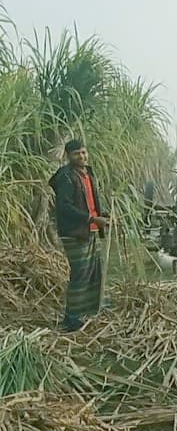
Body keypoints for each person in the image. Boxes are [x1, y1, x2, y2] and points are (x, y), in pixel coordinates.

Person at [48, 139, 109, 332]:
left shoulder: (88, 174)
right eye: (76, 154)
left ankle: (90, 308)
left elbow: (91, 200)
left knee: (93, 271)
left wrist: (102, 215)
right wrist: (92, 219)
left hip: (89, 230)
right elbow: (65, 208)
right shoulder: (66, 177)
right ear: (68, 155)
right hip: (74, 233)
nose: (81, 156)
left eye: (84, 152)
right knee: (80, 273)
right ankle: (71, 317)